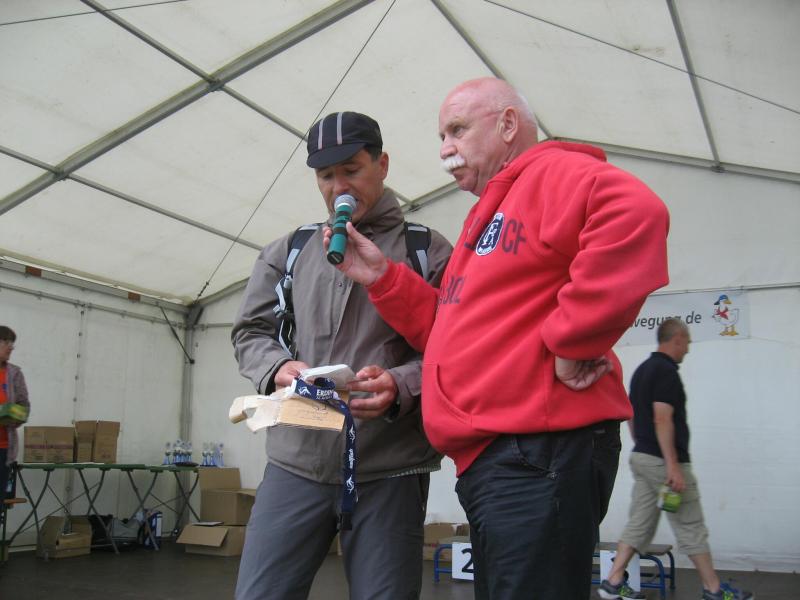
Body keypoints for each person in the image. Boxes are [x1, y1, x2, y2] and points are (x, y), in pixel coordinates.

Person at [324, 77, 670, 600]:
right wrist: (383, 278)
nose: (445, 149)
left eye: (458, 130)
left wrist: (572, 341)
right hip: (504, 457)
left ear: (508, 124)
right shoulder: (491, 210)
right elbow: (452, 329)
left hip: (536, 452)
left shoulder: (551, 172)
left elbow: (636, 213)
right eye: (442, 136)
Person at [231, 111, 452, 600]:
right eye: (326, 176)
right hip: (295, 463)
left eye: (351, 170)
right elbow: (251, 331)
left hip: (390, 468)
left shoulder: (427, 251)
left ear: (382, 165)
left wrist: (401, 384)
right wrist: (277, 367)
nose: (338, 187)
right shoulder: (289, 251)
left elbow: (455, 348)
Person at [599, 319, 754, 600]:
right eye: (688, 342)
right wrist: (671, 465)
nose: (688, 349)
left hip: (644, 458)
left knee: (640, 523)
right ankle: (713, 590)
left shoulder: (643, 370)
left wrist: (643, 445)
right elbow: (662, 418)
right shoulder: (665, 371)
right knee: (690, 524)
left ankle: (612, 581)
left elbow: (631, 413)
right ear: (677, 338)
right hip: (664, 464)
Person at [1, 326, 29, 504]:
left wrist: (15, 415)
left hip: (4, 450)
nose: (11, 347)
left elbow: (24, 405)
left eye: (12, 343)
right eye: (6, 342)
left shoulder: (15, 373)